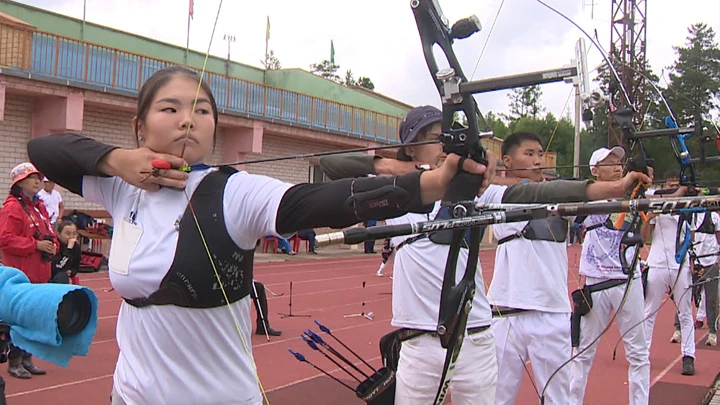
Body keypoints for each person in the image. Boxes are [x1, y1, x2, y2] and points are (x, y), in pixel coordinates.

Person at [26, 66, 493, 405]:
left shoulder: (233, 192)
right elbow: (43, 150)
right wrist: (118, 160)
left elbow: (312, 202)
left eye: (202, 111)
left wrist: (426, 185)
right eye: (171, 109)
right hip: (130, 396)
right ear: (139, 125)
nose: (188, 120)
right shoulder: (118, 185)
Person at [319, 106, 650, 405]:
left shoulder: (477, 190)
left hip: (474, 336)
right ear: (411, 146)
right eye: (437, 139)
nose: (446, 147)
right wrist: (399, 166)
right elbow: (329, 164)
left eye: (450, 141)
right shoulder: (391, 186)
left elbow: (539, 192)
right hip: (418, 340)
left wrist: (614, 189)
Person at [568, 147, 650, 405]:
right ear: (594, 170)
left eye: (619, 163)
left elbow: (643, 236)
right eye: (609, 163)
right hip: (596, 283)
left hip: (628, 282)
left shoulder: (634, 196)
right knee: (582, 353)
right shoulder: (588, 196)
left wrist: (642, 189)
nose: (617, 167)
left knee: (638, 354)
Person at [0, 162, 55, 379]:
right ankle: (14, 361)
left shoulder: (39, 206)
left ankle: (27, 358)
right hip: (20, 274)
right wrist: (35, 246)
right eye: (32, 178)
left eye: (39, 178)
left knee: (33, 318)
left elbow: (49, 233)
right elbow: (5, 239)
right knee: (18, 319)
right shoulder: (13, 207)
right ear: (19, 182)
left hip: (40, 272)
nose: (38, 181)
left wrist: (52, 246)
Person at [641, 171, 695, 375]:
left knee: (685, 312)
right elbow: (644, 236)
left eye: (676, 185)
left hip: (679, 263)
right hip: (657, 263)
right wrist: (650, 218)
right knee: (649, 311)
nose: (673, 188)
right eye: (669, 184)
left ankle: (688, 356)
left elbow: (693, 233)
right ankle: (642, 353)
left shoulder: (688, 203)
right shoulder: (655, 199)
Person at [670, 211, 720, 347]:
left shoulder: (714, 217)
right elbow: (687, 239)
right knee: (685, 295)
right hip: (693, 262)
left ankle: (712, 331)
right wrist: (692, 262)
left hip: (710, 262)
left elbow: (718, 237)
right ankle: (679, 329)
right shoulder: (690, 216)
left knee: (711, 298)